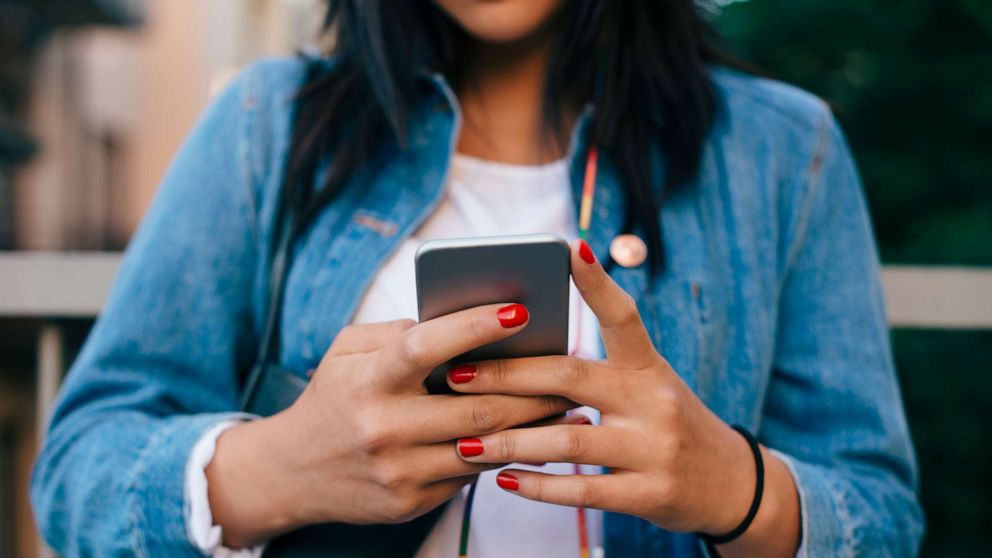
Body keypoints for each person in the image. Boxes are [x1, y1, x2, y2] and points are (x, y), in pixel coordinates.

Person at [31, 1, 924, 556]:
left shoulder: (780, 148)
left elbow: (881, 517)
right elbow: (77, 475)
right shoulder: (267, 124)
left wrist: (735, 488)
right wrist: (278, 468)